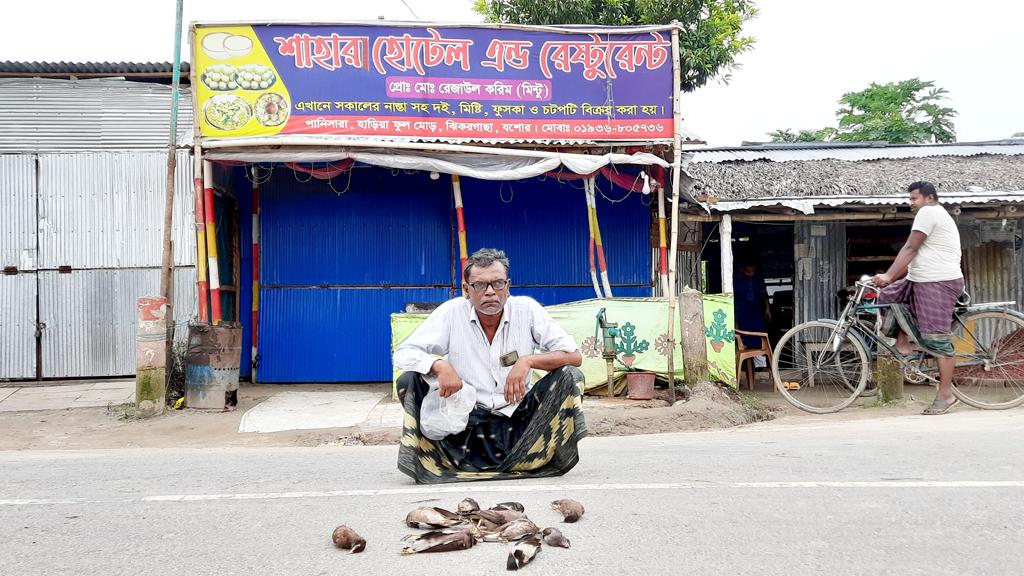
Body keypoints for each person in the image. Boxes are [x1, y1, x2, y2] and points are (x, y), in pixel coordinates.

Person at [393, 248, 586, 483]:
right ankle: (432, 460)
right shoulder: (451, 313)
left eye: (497, 283)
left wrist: (529, 360)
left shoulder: (526, 309)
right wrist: (439, 365)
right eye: (480, 285)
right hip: (466, 421)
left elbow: (573, 356)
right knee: (409, 380)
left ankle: (538, 455)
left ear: (508, 286)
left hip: (521, 419)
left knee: (570, 376)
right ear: (466, 290)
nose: (490, 292)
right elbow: (404, 353)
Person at [872, 181, 964, 415]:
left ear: (929, 198)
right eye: (910, 199)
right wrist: (890, 280)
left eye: (914, 198)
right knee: (890, 295)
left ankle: (946, 394)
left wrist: (889, 274)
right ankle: (904, 345)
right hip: (920, 280)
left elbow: (910, 248)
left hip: (938, 281)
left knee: (937, 338)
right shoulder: (930, 213)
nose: (910, 203)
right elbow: (913, 257)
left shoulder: (929, 212)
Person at [733, 260, 772, 365]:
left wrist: (768, 309)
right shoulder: (736, 280)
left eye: (753, 271)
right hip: (743, 312)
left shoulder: (758, 278)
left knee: (759, 337)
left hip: (757, 311)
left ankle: (760, 365)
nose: (751, 274)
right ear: (742, 270)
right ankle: (749, 364)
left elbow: (764, 295)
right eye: (748, 272)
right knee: (746, 337)